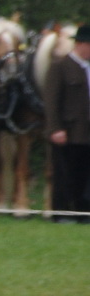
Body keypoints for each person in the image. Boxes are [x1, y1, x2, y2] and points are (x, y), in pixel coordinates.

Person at [44, 24, 90, 219]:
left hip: (86, 133)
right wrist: (55, 128)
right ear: (81, 44)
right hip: (68, 131)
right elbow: (51, 101)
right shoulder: (60, 66)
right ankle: (61, 213)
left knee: (84, 176)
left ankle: (83, 211)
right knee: (64, 175)